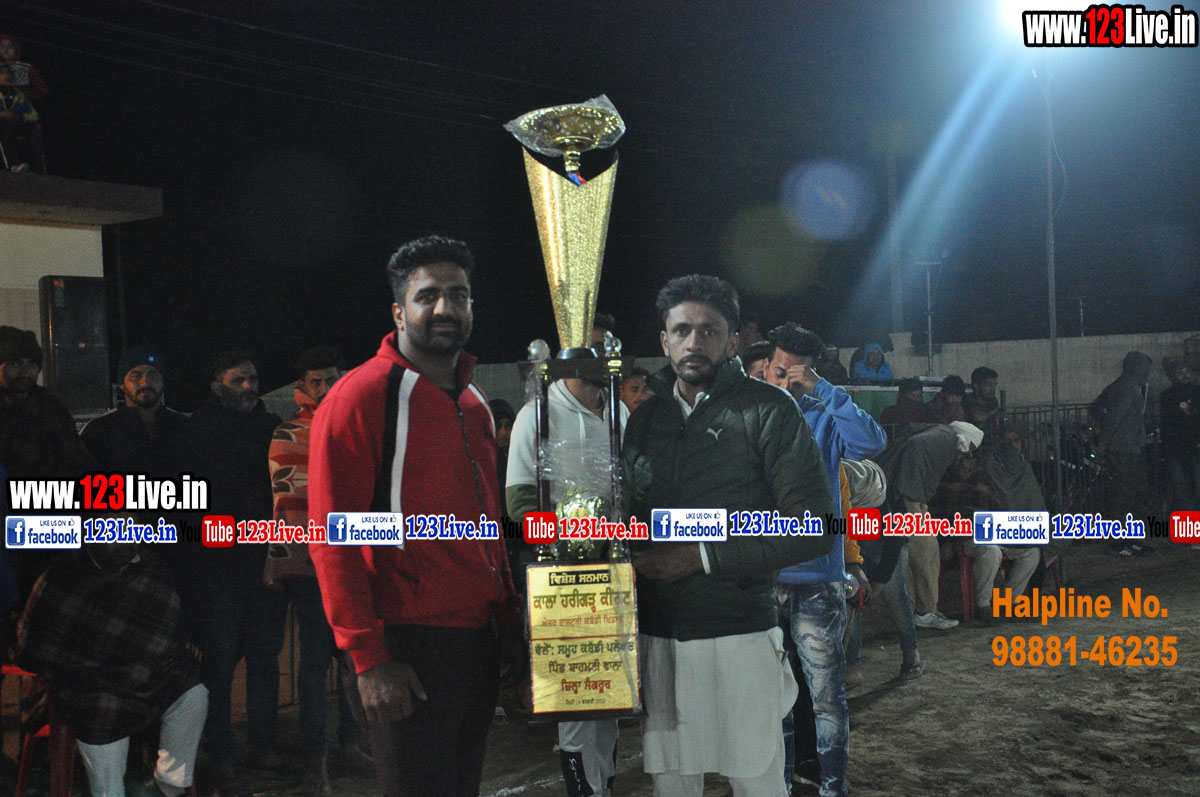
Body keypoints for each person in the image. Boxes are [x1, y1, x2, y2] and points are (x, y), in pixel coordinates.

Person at [308, 235, 520, 797]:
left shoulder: (473, 402)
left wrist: (509, 616)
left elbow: (488, 524)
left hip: (475, 643)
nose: (446, 308)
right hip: (405, 646)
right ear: (399, 312)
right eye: (428, 296)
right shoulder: (360, 397)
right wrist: (368, 657)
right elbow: (331, 537)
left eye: (459, 295)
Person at [623, 274, 834, 796]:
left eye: (709, 331)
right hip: (660, 636)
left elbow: (814, 529)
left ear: (733, 341)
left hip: (739, 632)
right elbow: (630, 521)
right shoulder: (644, 420)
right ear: (664, 340)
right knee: (673, 784)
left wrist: (700, 557)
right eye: (682, 330)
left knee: (756, 779)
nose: (694, 342)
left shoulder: (770, 409)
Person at [507, 320, 630, 797]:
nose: (598, 357)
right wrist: (572, 539)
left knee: (612, 696)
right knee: (576, 701)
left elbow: (632, 491)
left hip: (614, 575)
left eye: (604, 348)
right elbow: (519, 502)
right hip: (563, 580)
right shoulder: (535, 414)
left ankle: (604, 789)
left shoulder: (618, 410)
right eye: (590, 347)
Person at [765, 324, 887, 796]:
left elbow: (871, 443)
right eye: (780, 371)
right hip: (765, 578)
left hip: (819, 580)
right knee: (774, 700)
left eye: (798, 373)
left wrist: (822, 388)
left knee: (827, 699)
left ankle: (833, 788)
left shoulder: (825, 416)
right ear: (767, 368)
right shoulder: (751, 416)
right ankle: (779, 785)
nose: (788, 381)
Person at [244, 345, 364, 795]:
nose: (326, 387)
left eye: (332, 378)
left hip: (355, 561)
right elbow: (289, 501)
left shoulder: (356, 425)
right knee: (314, 665)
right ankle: (318, 758)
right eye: (317, 381)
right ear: (302, 386)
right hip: (311, 566)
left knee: (354, 658)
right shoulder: (288, 433)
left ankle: (351, 745)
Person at [16, 541, 208, 797]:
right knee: (101, 710)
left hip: (146, 674)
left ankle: (168, 786)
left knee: (193, 693)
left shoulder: (150, 567)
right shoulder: (64, 572)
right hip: (92, 684)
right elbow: (34, 648)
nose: (126, 541)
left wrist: (140, 666)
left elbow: (167, 636)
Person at [180, 351, 281, 795]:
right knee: (219, 664)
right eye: (238, 379)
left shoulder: (271, 428)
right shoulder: (197, 431)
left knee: (265, 659)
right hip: (218, 568)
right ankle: (221, 752)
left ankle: (263, 747)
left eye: (252, 379)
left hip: (265, 563)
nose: (247, 387)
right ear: (216, 384)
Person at [874, 423, 987, 629]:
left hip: (899, 494)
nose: (969, 454)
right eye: (971, 448)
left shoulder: (938, 433)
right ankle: (926, 611)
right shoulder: (947, 440)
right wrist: (912, 488)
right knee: (926, 551)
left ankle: (912, 610)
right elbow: (916, 446)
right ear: (967, 440)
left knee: (908, 553)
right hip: (909, 496)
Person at [80, 346, 188, 476]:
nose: (145, 383)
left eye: (153, 375)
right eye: (136, 376)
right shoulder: (99, 429)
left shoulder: (183, 426)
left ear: (163, 381)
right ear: (122, 384)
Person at [1092, 352, 1153, 553]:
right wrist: (1105, 440)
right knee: (1127, 495)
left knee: (1127, 494)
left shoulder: (1119, 386)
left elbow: (1099, 410)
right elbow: (1115, 417)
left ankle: (1126, 540)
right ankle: (1123, 541)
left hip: (1124, 447)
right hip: (1125, 449)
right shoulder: (1129, 388)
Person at [1160, 357, 1200, 511]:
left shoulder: (1197, 392)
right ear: (1173, 375)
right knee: (1182, 487)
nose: (1185, 375)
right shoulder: (1167, 396)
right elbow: (1166, 423)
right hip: (1177, 448)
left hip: (1194, 447)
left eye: (1187, 371)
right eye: (1180, 372)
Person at [0, 64, 43, 173]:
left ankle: (34, 168)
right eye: (2, 73)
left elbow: (34, 114)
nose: (6, 76)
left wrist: (20, 116)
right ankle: (12, 165)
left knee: (32, 130)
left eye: (9, 73)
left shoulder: (18, 94)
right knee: (3, 126)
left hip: (14, 123)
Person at [0, 35, 47, 100]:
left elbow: (42, 88)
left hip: (18, 104)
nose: (6, 49)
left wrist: (24, 95)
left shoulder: (24, 68)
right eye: (2, 46)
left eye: (10, 47)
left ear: (15, 49)